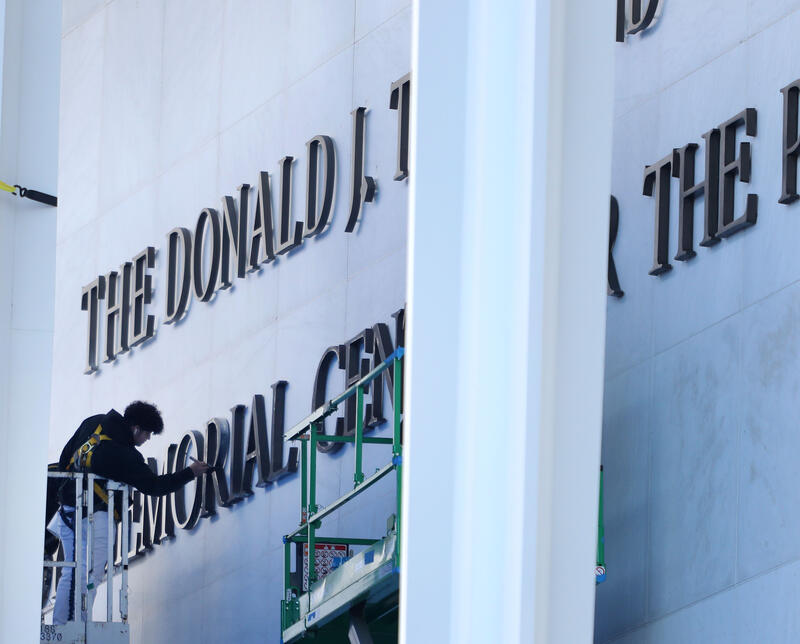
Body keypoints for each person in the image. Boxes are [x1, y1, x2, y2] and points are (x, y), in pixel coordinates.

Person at [52, 401, 210, 625]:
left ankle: (67, 622)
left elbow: (64, 458)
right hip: (96, 516)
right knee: (90, 572)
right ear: (136, 428)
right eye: (147, 433)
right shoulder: (126, 456)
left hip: (68, 509)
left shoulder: (93, 422)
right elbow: (154, 486)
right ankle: (72, 624)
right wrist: (190, 472)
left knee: (75, 568)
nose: (148, 439)